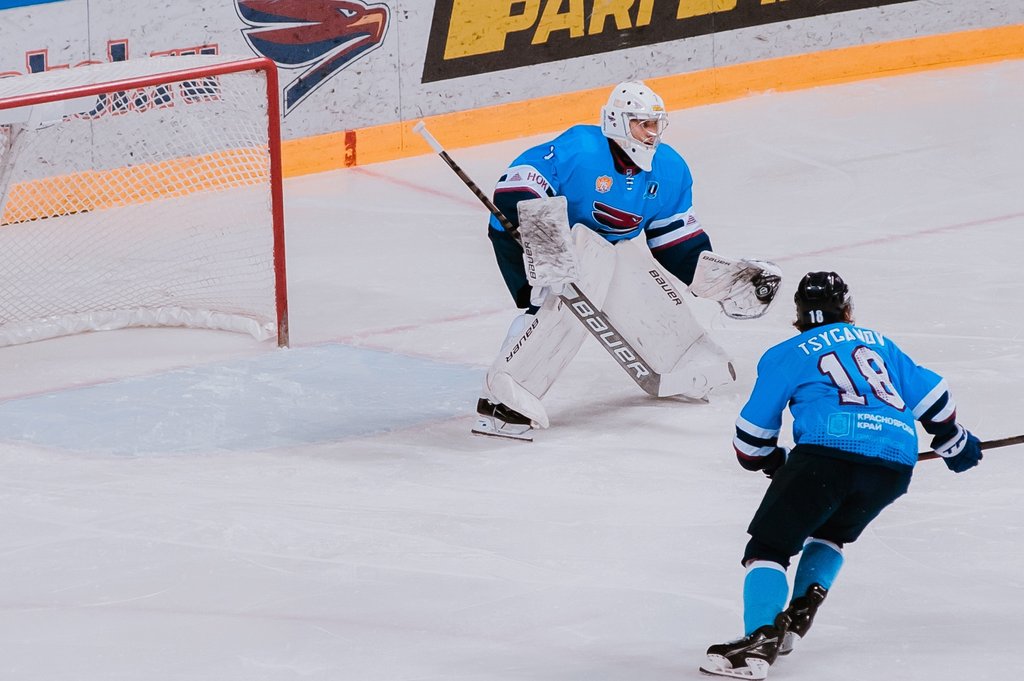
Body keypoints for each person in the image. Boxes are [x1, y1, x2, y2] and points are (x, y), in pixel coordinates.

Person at [699, 271, 983, 680]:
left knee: (769, 547)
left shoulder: (787, 353)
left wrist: (771, 462)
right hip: (894, 463)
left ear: (797, 315)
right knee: (831, 532)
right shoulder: (880, 343)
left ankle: (759, 642)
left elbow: (751, 440)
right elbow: (935, 400)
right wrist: (953, 439)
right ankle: (795, 619)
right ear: (847, 310)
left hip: (825, 455)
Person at [473, 80, 780, 441]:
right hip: (530, 238)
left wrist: (723, 281)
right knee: (549, 303)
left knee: (623, 264)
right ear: (618, 122)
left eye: (655, 124)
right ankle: (504, 400)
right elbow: (518, 187)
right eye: (642, 124)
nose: (651, 134)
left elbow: (676, 240)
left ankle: (680, 360)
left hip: (600, 247)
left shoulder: (669, 169)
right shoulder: (581, 148)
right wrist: (549, 252)